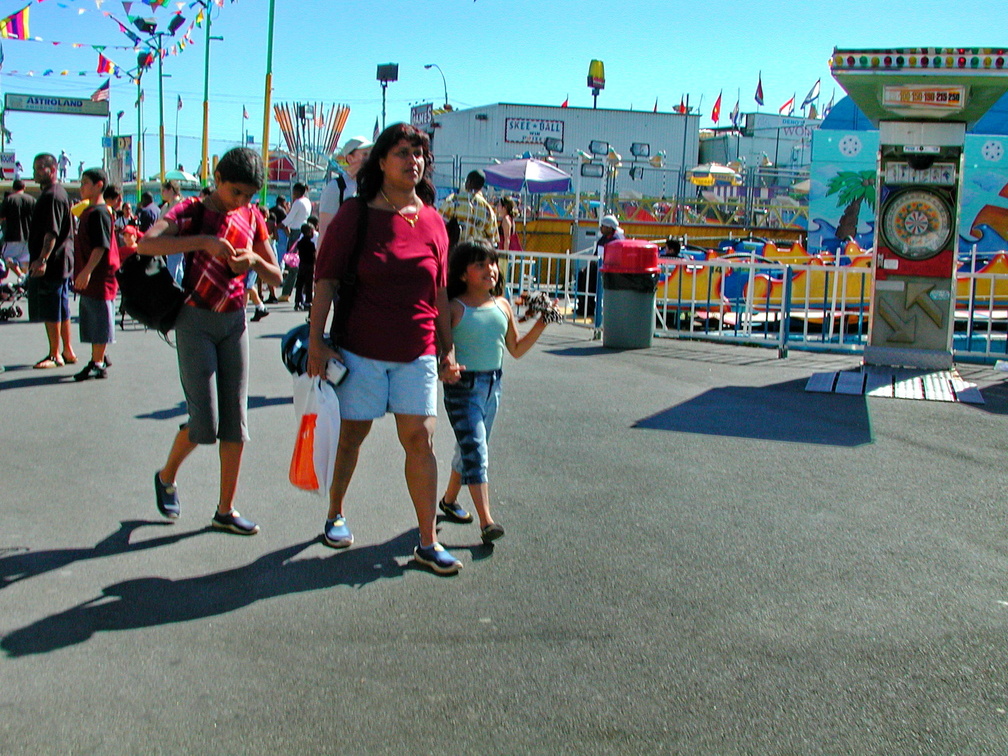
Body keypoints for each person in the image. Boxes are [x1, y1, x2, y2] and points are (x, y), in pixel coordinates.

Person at [308, 122, 463, 576]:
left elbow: (438, 292)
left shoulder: (434, 220)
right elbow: (326, 281)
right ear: (380, 160)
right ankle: (335, 511)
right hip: (360, 352)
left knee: (421, 440)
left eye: (419, 154)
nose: (413, 161)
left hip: (417, 354)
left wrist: (446, 349)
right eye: (402, 152)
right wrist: (317, 341)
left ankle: (428, 540)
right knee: (352, 438)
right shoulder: (356, 215)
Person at [139, 146, 281, 536]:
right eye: (236, 192)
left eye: (250, 194)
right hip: (195, 320)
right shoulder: (189, 211)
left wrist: (253, 261)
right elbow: (146, 244)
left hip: (234, 321)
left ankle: (225, 510)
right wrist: (202, 242)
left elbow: (277, 276)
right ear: (217, 179)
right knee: (204, 424)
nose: (242, 201)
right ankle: (166, 476)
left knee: (235, 422)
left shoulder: (252, 217)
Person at [437, 240, 550, 543]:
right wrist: (444, 367)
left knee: (470, 447)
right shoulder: (452, 307)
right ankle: (487, 522)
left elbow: (515, 349)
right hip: (462, 388)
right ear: (462, 274)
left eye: (492, 263)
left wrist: (541, 323)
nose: (490, 270)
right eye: (480, 265)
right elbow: (438, 351)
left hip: (492, 386)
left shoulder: (502, 305)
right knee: (476, 450)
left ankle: (448, 502)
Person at [26, 153, 76, 369]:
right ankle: (67, 350)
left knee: (52, 306)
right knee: (61, 306)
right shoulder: (56, 193)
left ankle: (55, 354)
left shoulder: (52, 196)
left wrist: (42, 259)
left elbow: (51, 232)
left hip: (54, 261)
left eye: (39, 169)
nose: (35, 173)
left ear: (53, 170)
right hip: (61, 260)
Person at [72, 168, 119, 381]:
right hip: (90, 275)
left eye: (86, 183)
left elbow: (101, 247)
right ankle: (99, 355)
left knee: (100, 318)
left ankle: (97, 362)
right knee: (92, 317)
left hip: (99, 276)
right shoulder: (90, 211)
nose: (81, 187)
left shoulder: (100, 212)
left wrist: (87, 271)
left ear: (99, 185)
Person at [317, 136, 372, 240]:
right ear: (350, 159)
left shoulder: (373, 185)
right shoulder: (336, 187)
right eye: (365, 155)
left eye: (370, 154)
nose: (369, 159)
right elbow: (324, 230)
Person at [439, 170, 497, 248]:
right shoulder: (488, 209)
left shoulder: (453, 200)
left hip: (455, 253)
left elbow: (439, 224)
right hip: (476, 255)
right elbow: (492, 240)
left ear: (468, 182)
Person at [0, 179, 36, 282]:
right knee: (25, 260)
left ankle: (21, 276)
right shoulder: (32, 200)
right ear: (24, 188)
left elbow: (1, 217)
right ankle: (26, 280)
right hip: (29, 236)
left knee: (6, 258)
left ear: (13, 188)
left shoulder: (9, 200)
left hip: (12, 235)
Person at [293, 218, 317, 311]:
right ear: (308, 232)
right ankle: (308, 301)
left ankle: (297, 302)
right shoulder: (311, 244)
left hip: (302, 265)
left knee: (299, 284)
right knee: (308, 284)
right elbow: (314, 255)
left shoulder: (300, 243)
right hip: (309, 265)